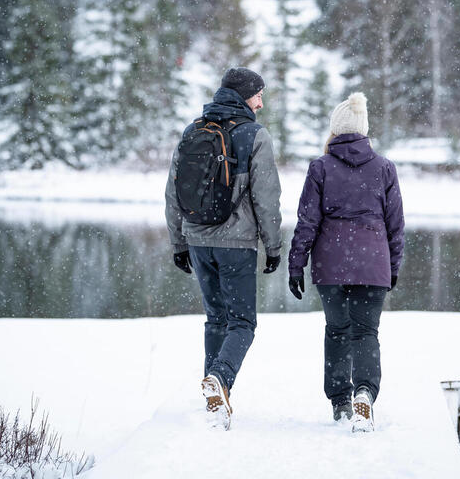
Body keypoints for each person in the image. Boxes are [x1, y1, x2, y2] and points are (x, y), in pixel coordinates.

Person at [165, 67, 282, 430]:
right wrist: (273, 246)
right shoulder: (254, 135)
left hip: (198, 240)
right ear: (245, 95)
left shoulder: (193, 131)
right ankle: (220, 380)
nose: (261, 102)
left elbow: (172, 192)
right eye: (258, 95)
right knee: (243, 322)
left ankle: (213, 398)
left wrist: (178, 242)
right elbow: (266, 198)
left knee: (216, 319)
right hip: (236, 244)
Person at [288, 91, 405, 433]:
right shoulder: (385, 168)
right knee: (367, 332)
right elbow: (395, 224)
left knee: (337, 331)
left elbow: (307, 221)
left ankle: (341, 402)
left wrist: (297, 265)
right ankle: (365, 393)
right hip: (373, 264)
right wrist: (393, 266)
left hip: (331, 265)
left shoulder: (320, 167)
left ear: (335, 131)